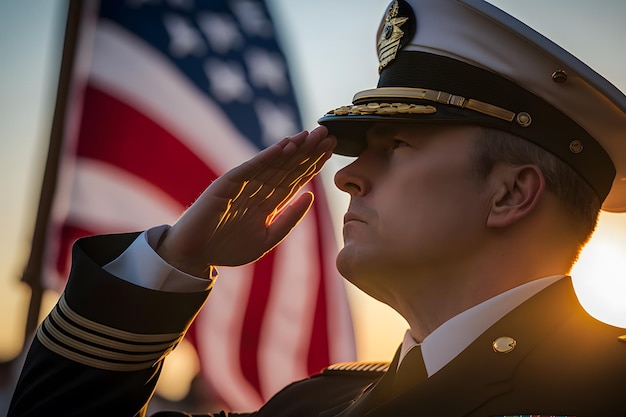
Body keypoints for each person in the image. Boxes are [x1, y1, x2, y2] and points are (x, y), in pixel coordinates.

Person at [8, 0, 626, 416]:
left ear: (511, 193)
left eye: (400, 146)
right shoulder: (311, 405)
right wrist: (175, 260)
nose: (348, 177)